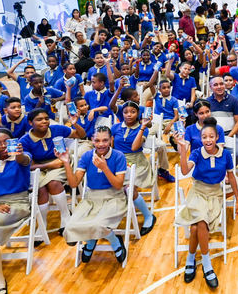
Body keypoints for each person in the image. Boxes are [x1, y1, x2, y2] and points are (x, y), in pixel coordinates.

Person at [174, 117, 238, 287]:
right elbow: (184, 170)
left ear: (217, 137)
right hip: (197, 192)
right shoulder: (197, 153)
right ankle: (206, 263)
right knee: (201, 221)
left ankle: (191, 259)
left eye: (211, 137)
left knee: (196, 226)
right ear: (201, 139)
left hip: (215, 194)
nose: (208, 140)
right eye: (204, 137)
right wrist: (183, 150)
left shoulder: (226, 154)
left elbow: (232, 178)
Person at [56, 127, 128, 263]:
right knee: (70, 226)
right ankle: (91, 240)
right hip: (91, 198)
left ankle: (113, 240)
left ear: (111, 140)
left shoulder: (118, 156)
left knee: (99, 223)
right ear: (92, 141)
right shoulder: (87, 156)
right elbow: (73, 183)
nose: (101, 144)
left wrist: (105, 168)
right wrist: (66, 162)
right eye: (97, 140)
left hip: (114, 197)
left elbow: (118, 185)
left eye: (105, 140)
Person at [20, 108, 85, 234]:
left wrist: (75, 123)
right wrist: (50, 165)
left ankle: (65, 216)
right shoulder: (25, 140)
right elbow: (29, 166)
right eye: (39, 119)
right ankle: (42, 222)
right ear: (30, 123)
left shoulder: (57, 129)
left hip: (61, 161)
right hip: (40, 167)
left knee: (53, 183)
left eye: (46, 118)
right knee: (41, 188)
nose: (44, 121)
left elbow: (80, 135)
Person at [0, 128, 31, 294]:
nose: (3, 145)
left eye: (6, 141)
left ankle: (0, 282)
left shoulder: (22, 156)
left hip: (17, 204)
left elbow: (24, 160)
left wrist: (18, 153)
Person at [110, 101, 156, 235]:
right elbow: (112, 147)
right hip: (118, 161)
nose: (129, 115)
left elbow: (134, 148)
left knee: (128, 188)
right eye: (125, 112)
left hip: (137, 162)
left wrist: (142, 127)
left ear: (138, 114)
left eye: (132, 112)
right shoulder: (115, 127)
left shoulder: (144, 129)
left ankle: (148, 215)